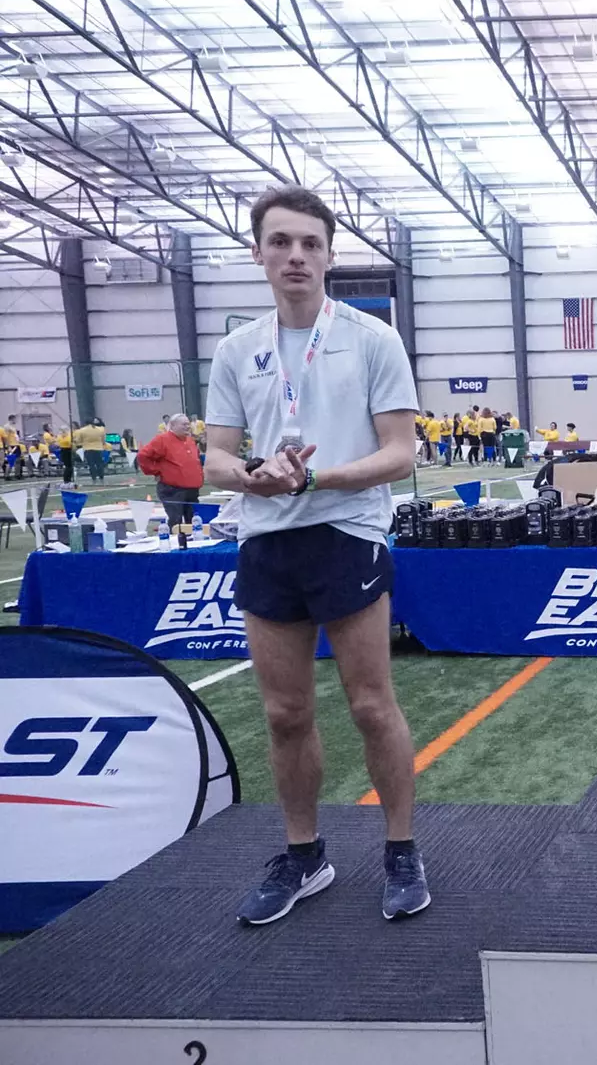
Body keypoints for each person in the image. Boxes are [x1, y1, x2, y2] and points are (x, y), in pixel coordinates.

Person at [203, 185, 427, 927]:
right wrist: (254, 475)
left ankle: (401, 849)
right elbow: (216, 459)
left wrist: (316, 477)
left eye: (309, 243)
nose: (295, 255)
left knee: (370, 704)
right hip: (267, 539)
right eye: (280, 242)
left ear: (329, 255)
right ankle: (304, 855)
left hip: (347, 533)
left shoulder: (371, 339)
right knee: (284, 711)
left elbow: (400, 454)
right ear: (259, 253)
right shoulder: (238, 350)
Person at [137, 414, 205, 526]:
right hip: (173, 490)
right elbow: (143, 456)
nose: (188, 426)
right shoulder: (162, 440)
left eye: (188, 424)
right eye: (184, 424)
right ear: (173, 425)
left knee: (194, 522)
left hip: (192, 490)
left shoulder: (190, 441)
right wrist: (156, 471)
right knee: (176, 521)